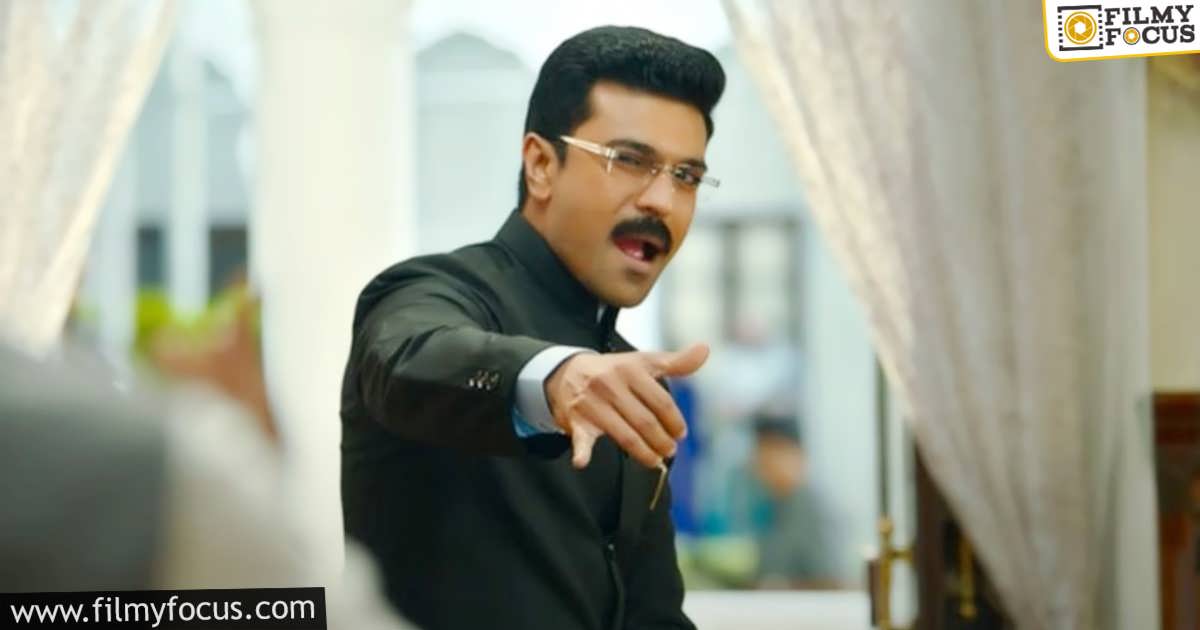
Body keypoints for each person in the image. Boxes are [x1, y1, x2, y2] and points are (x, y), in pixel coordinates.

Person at [340, 25, 725, 630]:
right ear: (541, 164)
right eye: (630, 161)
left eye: (687, 177)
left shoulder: (631, 384)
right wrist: (551, 380)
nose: (663, 201)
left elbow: (652, 614)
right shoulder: (428, 293)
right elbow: (408, 358)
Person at [749, 414, 838, 589]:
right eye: (761, 451)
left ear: (799, 455)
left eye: (775, 450)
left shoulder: (811, 509)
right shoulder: (772, 506)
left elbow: (830, 581)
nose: (764, 461)